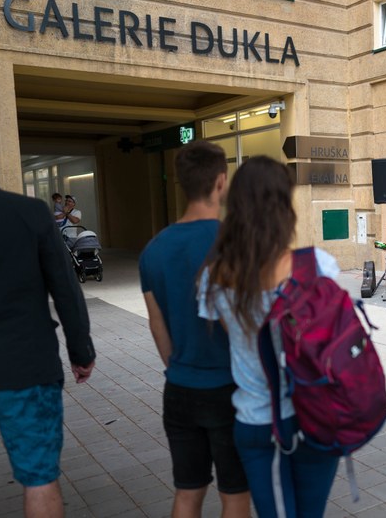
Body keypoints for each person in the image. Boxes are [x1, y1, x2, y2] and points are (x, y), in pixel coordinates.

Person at [198, 156, 341, 518]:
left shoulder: (217, 276)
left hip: (258, 422)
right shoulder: (318, 265)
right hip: (317, 418)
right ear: (285, 206)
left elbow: (238, 341)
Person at [139, 141, 251, 518]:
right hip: (231, 389)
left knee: (188, 492)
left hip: (180, 388)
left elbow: (158, 325)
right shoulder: (237, 243)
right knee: (235, 495)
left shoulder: (153, 249)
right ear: (222, 181)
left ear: (182, 184)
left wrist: (178, 369)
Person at [0, 186, 95, 518]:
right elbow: (65, 287)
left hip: (24, 365)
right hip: (25, 365)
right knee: (39, 479)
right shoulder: (29, 213)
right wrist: (81, 351)